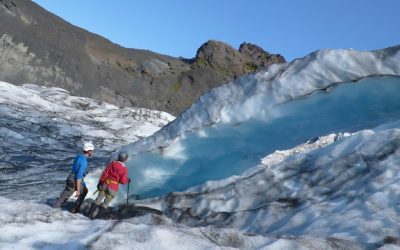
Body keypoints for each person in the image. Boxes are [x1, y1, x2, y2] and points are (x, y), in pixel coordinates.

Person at [53, 142, 94, 213]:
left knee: (64, 196)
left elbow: (77, 172)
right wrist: (78, 190)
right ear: (89, 151)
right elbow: (78, 177)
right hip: (74, 180)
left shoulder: (79, 156)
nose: (92, 152)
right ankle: (74, 210)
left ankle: (54, 209)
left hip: (70, 178)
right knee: (82, 192)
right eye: (92, 151)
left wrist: (83, 185)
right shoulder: (84, 161)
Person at [88, 151, 131, 219]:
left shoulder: (112, 164)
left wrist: (100, 182)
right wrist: (127, 180)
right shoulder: (124, 169)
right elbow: (123, 181)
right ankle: (98, 218)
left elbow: (105, 173)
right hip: (113, 187)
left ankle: (89, 214)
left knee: (98, 200)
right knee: (105, 204)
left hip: (105, 184)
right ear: (125, 159)